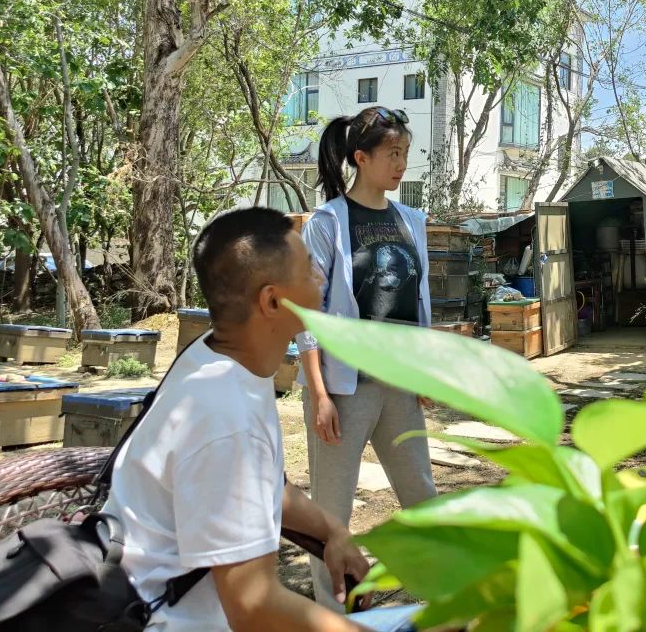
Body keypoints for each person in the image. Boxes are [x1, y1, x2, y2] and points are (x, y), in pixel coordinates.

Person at [103, 207, 421, 631]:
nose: (321, 279)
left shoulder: (217, 359)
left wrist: (331, 531)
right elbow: (254, 608)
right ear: (272, 301)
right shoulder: (223, 413)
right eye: (309, 270)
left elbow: (263, 481)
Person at [297, 106, 437, 612]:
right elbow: (308, 315)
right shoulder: (329, 222)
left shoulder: (411, 220)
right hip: (345, 389)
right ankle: (332, 614)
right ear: (361, 157)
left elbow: (416, 303)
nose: (400, 164)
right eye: (391, 154)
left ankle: (438, 601)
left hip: (399, 385)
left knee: (422, 496)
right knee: (331, 513)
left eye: (404, 153)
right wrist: (318, 394)